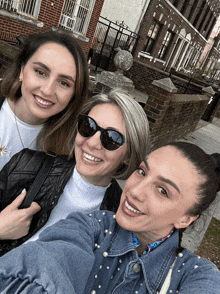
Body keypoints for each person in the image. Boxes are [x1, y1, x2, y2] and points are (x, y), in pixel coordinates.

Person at [0, 141, 219, 294]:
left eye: (162, 191)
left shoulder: (196, 276)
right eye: (142, 172)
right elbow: (45, 261)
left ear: (186, 219)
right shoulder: (90, 227)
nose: (134, 191)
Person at [0, 88, 150, 255]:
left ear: (129, 155)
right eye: (88, 126)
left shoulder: (120, 221)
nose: (92, 143)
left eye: (111, 138)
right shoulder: (26, 165)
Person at [0, 30, 89, 170]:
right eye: (40, 72)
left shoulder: (70, 150)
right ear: (22, 70)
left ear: (75, 94)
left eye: (64, 83)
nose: (47, 91)